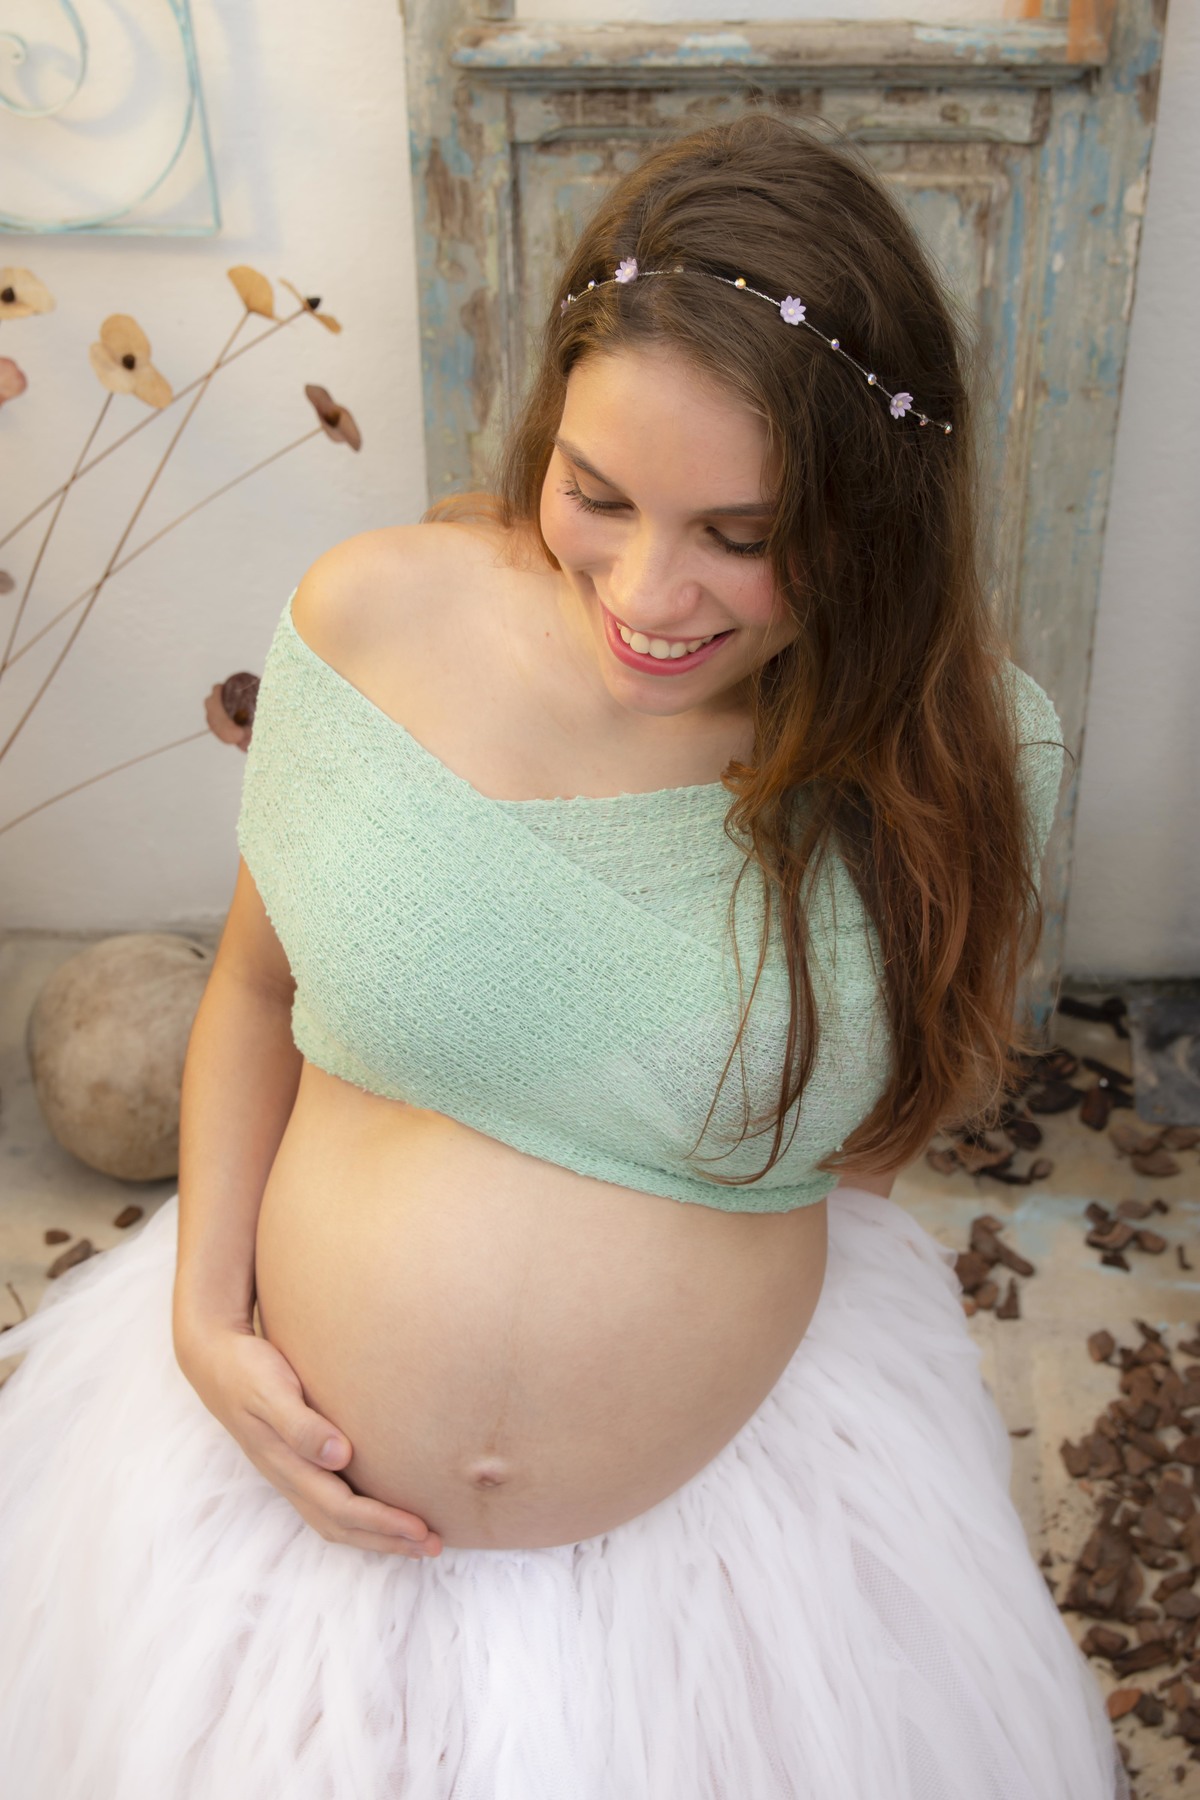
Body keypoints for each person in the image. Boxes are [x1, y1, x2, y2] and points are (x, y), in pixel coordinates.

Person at [0, 113, 1129, 1799]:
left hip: (731, 1560)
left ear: (873, 513)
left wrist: (673, 1325)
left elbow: (880, 1126)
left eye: (742, 535)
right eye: (596, 495)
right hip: (265, 1508)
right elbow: (252, 986)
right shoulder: (372, 619)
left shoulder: (961, 759)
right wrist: (201, 1316)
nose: (651, 591)